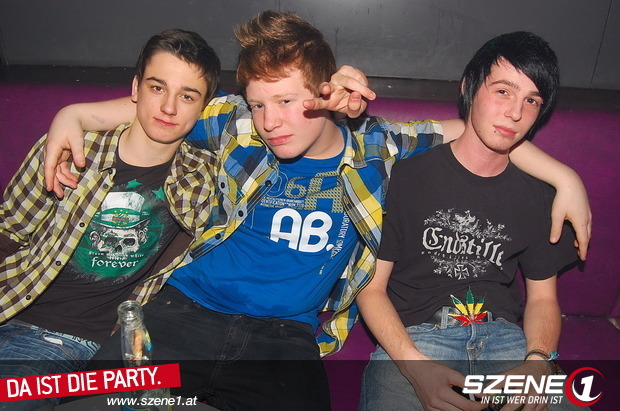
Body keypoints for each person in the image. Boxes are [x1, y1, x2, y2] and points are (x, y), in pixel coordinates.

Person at [42, 11, 590, 411]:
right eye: (259, 103)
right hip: (182, 310)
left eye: (286, 101)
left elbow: (479, 130)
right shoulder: (235, 124)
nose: (270, 121)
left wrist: (566, 178)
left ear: (326, 93)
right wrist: (75, 113)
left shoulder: (376, 147)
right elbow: (158, 112)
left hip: (286, 339)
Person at [357, 31, 581, 411]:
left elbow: (544, 298)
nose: (515, 113)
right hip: (416, 340)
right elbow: (370, 288)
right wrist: (415, 366)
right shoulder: (404, 176)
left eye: (531, 100)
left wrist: (539, 359)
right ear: (469, 88)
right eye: (503, 91)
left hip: (507, 343)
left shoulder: (539, 194)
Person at [0, 29, 220, 410]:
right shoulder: (72, 148)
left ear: (205, 108)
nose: (169, 107)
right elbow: (9, 229)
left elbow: (277, 124)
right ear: (135, 88)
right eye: (157, 88)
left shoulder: (202, 179)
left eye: (187, 96)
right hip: (14, 305)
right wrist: (72, 115)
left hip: (78, 343)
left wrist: (75, 112)